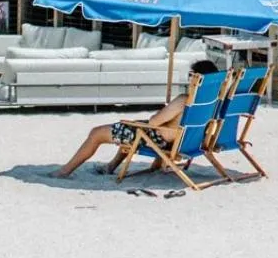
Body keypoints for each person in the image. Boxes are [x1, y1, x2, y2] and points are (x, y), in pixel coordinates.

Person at [55, 60, 220, 177]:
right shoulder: (211, 102)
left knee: (96, 133)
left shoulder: (185, 100)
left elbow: (154, 122)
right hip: (181, 141)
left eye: (192, 75)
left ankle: (64, 171)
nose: (189, 78)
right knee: (134, 126)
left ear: (199, 78)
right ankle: (111, 166)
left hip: (156, 138)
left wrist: (160, 113)